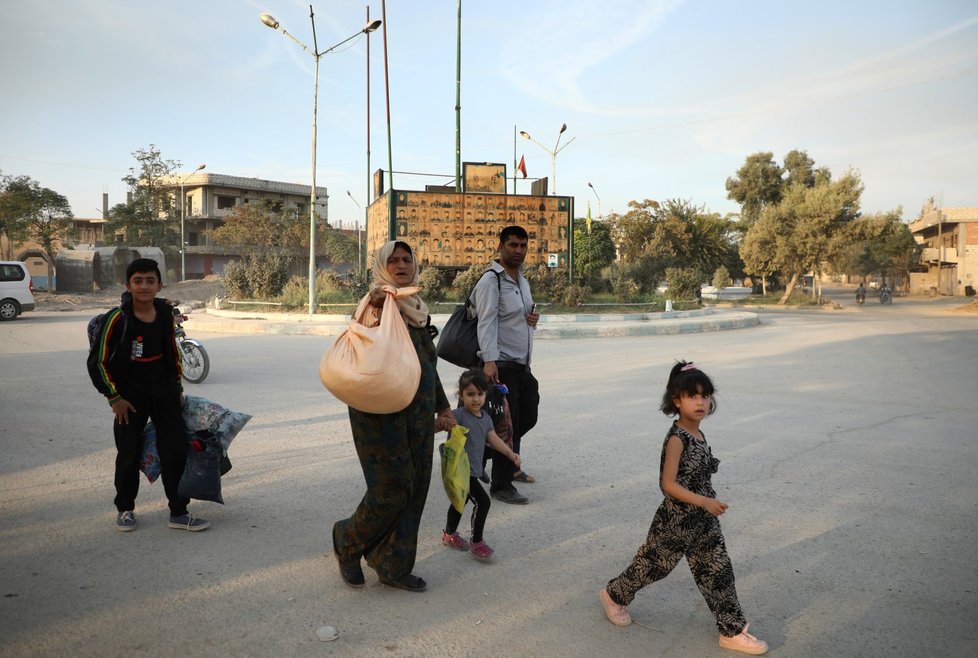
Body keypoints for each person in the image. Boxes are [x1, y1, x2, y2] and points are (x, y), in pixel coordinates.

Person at [598, 361, 768, 656]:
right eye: (692, 396)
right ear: (677, 401)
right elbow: (668, 484)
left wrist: (706, 504)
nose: (700, 402)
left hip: (704, 520)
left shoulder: (698, 434)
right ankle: (614, 595)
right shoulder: (677, 438)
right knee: (654, 566)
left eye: (705, 396)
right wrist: (704, 501)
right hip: (676, 521)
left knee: (718, 572)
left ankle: (731, 630)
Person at [332, 240, 456, 593]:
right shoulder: (377, 304)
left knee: (414, 489)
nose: (401, 265)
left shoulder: (415, 307)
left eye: (407, 259)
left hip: (416, 414)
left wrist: (443, 407)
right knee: (390, 489)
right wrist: (377, 300)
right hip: (379, 415)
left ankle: (392, 565)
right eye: (394, 260)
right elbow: (368, 328)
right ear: (382, 265)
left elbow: (426, 365)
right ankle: (347, 540)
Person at [87, 258, 208, 532]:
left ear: (159, 284)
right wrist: (114, 399)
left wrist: (176, 388)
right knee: (128, 454)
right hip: (129, 398)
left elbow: (172, 354)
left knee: (174, 452)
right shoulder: (117, 319)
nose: (144, 286)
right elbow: (97, 363)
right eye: (138, 281)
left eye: (150, 280)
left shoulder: (165, 314)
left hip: (164, 393)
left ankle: (178, 512)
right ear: (128, 285)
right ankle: (125, 509)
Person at [472, 225, 540, 505]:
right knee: (505, 426)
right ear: (500, 246)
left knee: (527, 416)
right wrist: (489, 361)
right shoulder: (491, 281)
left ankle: (479, 454)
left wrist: (533, 319)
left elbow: (521, 315)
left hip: (522, 363)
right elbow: (485, 321)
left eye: (523, 246)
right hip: (501, 363)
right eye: (513, 245)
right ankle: (502, 484)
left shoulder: (522, 280)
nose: (519, 251)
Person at [441, 368, 521, 561]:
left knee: (459, 503)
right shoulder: (457, 416)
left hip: (474, 470)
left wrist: (510, 453)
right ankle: (477, 542)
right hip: (460, 472)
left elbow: (493, 439)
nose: (475, 399)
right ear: (461, 395)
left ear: (485, 394)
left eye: (479, 394)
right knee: (483, 502)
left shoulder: (485, 419)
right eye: (470, 394)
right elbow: (439, 424)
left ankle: (449, 534)